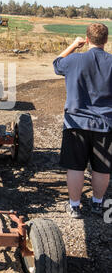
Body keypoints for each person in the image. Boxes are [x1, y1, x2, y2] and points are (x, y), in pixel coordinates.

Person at [53, 23, 112, 219]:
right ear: (106, 40)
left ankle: (75, 206)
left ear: (86, 39)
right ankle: (97, 204)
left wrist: (73, 45)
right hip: (105, 124)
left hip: (76, 123)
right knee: (102, 168)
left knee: (76, 167)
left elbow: (56, 63)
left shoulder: (75, 60)